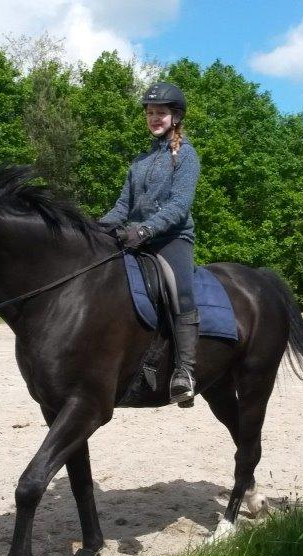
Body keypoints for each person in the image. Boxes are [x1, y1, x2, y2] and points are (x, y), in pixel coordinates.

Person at [100, 81, 201, 405]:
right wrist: (96, 229)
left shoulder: (186, 156)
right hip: (137, 238)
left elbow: (178, 205)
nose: (154, 118)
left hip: (172, 239)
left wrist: (144, 231)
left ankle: (184, 372)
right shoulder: (140, 162)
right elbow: (121, 206)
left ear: (176, 117)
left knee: (178, 290)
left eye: (161, 113)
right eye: (150, 113)